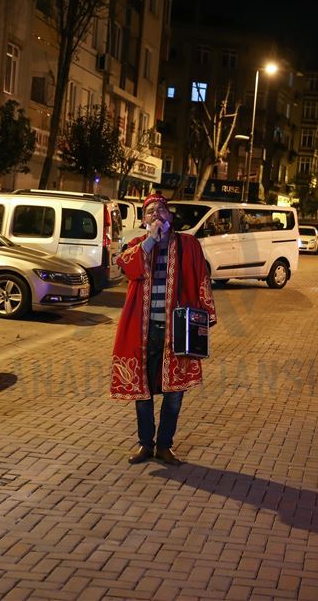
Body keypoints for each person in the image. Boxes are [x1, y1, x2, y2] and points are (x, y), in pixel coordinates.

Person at [111, 192, 217, 465]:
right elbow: (126, 266)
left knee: (174, 393)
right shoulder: (139, 245)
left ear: (171, 216)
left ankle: (165, 445)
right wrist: (149, 241)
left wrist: (205, 319)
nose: (156, 215)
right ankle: (146, 444)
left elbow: (202, 279)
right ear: (144, 220)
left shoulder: (188, 244)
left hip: (177, 331)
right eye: (150, 212)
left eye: (161, 210)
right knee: (142, 390)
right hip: (142, 330)